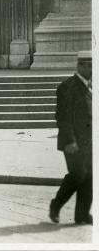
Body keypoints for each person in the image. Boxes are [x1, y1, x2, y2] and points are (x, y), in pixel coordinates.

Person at [49, 51, 92, 225]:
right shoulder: (68, 86)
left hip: (90, 141)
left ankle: (81, 215)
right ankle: (56, 205)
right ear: (81, 65)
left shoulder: (90, 86)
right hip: (73, 142)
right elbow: (63, 116)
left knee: (90, 177)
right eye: (89, 65)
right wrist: (69, 141)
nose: (93, 69)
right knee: (78, 174)